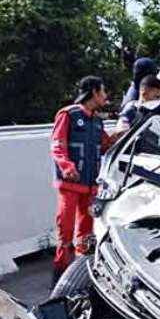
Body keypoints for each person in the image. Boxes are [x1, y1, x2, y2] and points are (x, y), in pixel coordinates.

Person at [51, 76, 118, 282]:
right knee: (66, 230)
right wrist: (67, 166)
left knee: (86, 232)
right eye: (103, 91)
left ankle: (81, 275)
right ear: (94, 93)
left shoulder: (97, 121)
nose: (105, 96)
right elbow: (57, 145)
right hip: (71, 185)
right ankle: (60, 274)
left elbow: (105, 145)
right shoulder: (68, 115)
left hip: (90, 187)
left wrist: (122, 135)